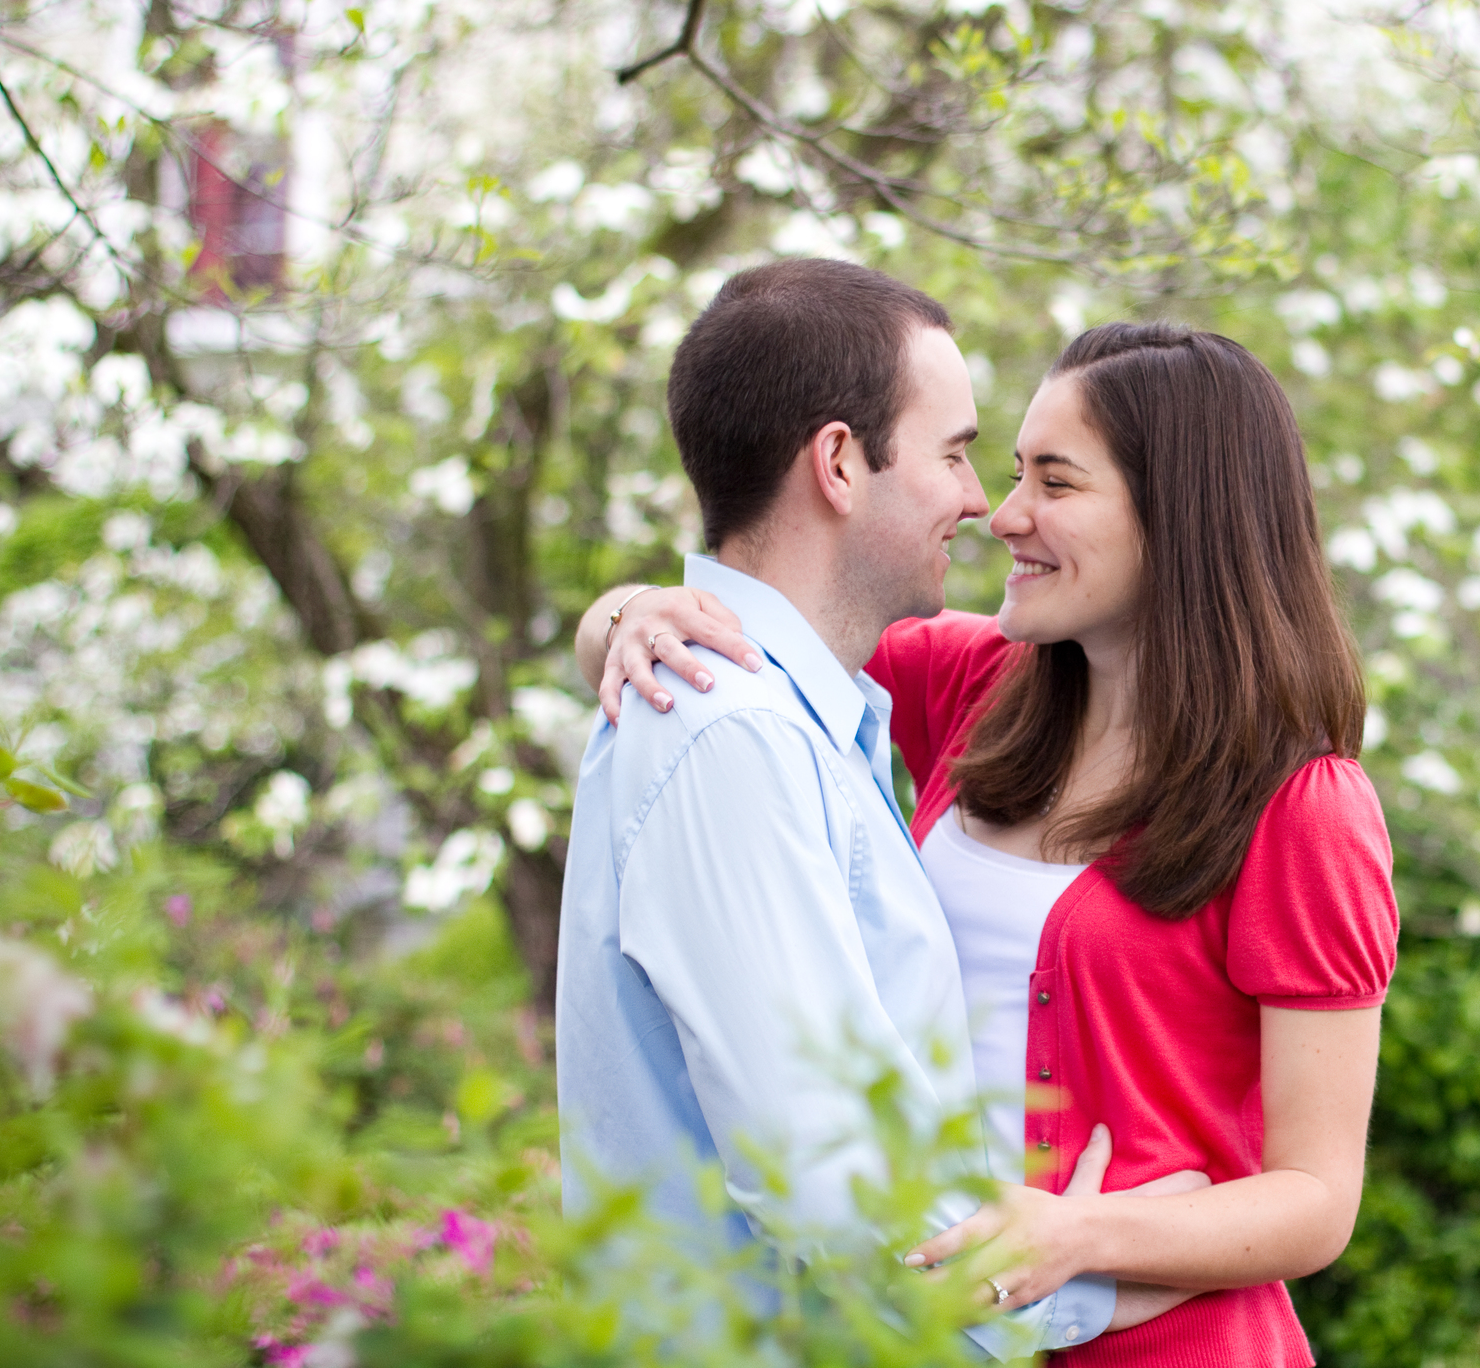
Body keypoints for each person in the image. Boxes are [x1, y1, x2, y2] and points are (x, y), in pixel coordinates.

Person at [582, 317, 1398, 1364]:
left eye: (1054, 483)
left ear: (1182, 514)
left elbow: (1317, 1197)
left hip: (1161, 1335)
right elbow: (753, 652)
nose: (1002, 514)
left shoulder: (1304, 808)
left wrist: (1083, 1232)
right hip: (935, 1327)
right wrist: (632, 614)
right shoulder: (975, 684)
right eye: (1006, 471)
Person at [553, 260, 1191, 1358]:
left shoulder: (800, 717)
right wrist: (1106, 1281)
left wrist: (616, 612)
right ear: (839, 462)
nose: (981, 502)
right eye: (953, 452)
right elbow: (834, 1179)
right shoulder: (734, 736)